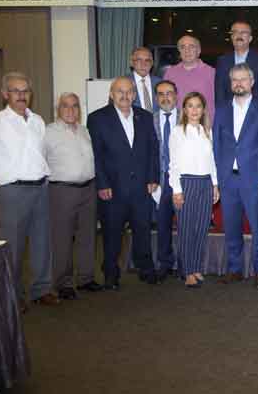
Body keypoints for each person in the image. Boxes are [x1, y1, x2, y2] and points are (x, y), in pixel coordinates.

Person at [0, 72, 60, 307]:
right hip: (12, 191)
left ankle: (42, 289)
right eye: (16, 91)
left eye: (25, 91)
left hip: (40, 188)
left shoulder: (38, 121)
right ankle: (12, 296)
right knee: (12, 246)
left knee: (42, 242)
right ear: (5, 94)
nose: (21, 95)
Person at [87, 76, 160, 290]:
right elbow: (96, 155)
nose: (125, 95)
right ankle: (111, 273)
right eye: (120, 91)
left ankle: (146, 269)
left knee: (143, 231)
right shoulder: (97, 118)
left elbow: (153, 150)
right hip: (112, 188)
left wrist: (153, 177)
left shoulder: (145, 117)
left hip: (141, 188)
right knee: (112, 234)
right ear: (111, 94)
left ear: (134, 95)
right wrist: (102, 183)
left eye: (129, 91)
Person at [212, 63, 258, 287]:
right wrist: (217, 180)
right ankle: (234, 269)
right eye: (235, 79)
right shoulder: (221, 110)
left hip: (254, 179)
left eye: (243, 79)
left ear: (252, 82)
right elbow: (216, 145)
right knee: (231, 227)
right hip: (228, 180)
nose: (239, 83)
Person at [45, 92, 99, 300]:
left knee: (88, 236)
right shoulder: (48, 132)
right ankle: (63, 283)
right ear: (57, 109)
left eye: (75, 106)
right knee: (62, 238)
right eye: (65, 105)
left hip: (88, 189)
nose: (70, 110)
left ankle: (85, 278)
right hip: (62, 190)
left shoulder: (85, 131)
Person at [168, 92, 219, 288]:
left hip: (205, 183)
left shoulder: (207, 131)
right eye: (190, 106)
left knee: (201, 228)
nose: (194, 110)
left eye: (198, 106)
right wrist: (176, 189)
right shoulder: (177, 132)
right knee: (186, 229)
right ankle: (187, 271)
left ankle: (196, 267)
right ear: (184, 109)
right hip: (186, 183)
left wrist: (215, 185)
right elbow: (173, 164)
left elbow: (211, 161)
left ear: (204, 109)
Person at [152, 80, 179, 280]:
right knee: (162, 225)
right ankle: (165, 263)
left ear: (176, 95)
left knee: (186, 225)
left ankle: (187, 263)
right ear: (156, 98)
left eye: (169, 93)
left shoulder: (188, 117)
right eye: (161, 94)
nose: (165, 98)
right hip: (159, 181)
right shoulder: (149, 120)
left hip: (183, 181)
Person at [215, 21, 258, 107]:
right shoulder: (222, 61)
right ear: (231, 37)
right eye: (235, 32)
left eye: (243, 32)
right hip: (229, 112)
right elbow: (220, 93)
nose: (239, 35)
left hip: (255, 112)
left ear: (250, 38)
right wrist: (222, 112)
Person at [163, 35, 216, 120]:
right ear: (179, 51)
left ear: (199, 51)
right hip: (177, 124)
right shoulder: (170, 73)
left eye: (191, 46)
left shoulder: (212, 73)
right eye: (183, 47)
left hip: (203, 124)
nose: (187, 50)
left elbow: (218, 102)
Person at [127, 46, 161, 112]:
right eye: (139, 60)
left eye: (147, 60)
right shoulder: (123, 83)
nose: (143, 64)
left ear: (152, 63)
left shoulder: (160, 83)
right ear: (131, 63)